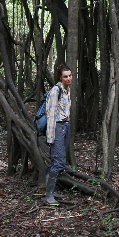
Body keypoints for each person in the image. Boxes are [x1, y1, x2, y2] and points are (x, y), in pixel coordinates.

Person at [43, 64, 72, 205]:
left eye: (70, 75)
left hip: (65, 126)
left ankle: (52, 191)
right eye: (65, 76)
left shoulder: (67, 90)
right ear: (60, 78)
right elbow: (51, 114)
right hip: (57, 127)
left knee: (56, 160)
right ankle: (48, 195)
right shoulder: (56, 90)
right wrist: (50, 136)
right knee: (59, 161)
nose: (68, 78)